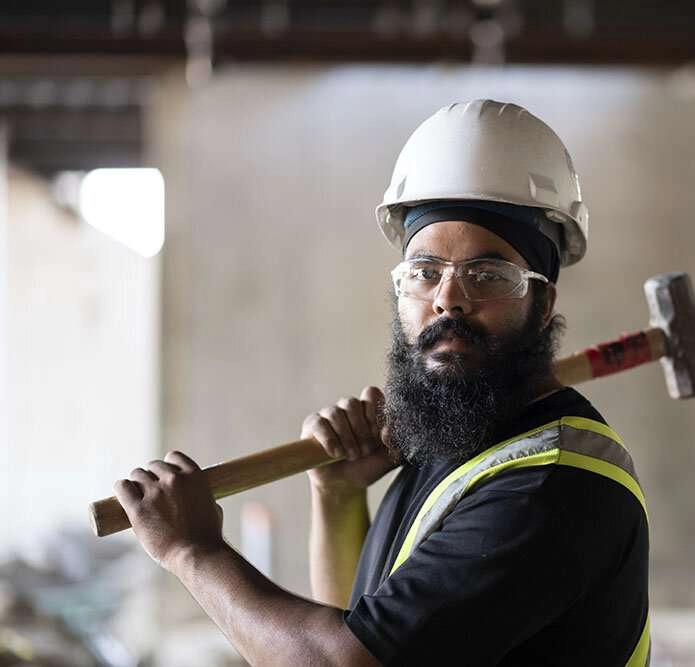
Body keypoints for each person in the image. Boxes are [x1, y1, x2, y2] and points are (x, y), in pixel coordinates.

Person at [114, 99, 650, 666]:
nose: (448, 298)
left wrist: (192, 550)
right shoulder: (460, 438)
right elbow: (362, 622)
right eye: (423, 272)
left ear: (543, 304)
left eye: (487, 274)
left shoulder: (550, 486)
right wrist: (339, 496)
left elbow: (345, 662)